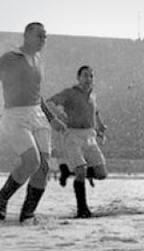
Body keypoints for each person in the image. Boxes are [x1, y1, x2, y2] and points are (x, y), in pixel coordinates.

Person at [0, 22, 66, 222]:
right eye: (39, 35)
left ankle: (27, 214)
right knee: (31, 162)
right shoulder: (10, 58)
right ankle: (1, 199)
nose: (43, 40)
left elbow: (37, 95)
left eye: (45, 36)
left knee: (43, 168)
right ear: (27, 35)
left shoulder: (39, 60)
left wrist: (51, 117)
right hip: (15, 116)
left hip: (38, 115)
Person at [47, 65, 109, 218]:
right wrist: (58, 114)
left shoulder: (93, 95)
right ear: (78, 78)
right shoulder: (70, 93)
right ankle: (82, 209)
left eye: (91, 76)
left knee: (101, 174)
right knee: (81, 171)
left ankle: (69, 171)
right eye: (85, 75)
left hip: (90, 136)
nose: (88, 79)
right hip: (72, 135)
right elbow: (49, 102)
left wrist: (100, 126)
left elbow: (95, 111)